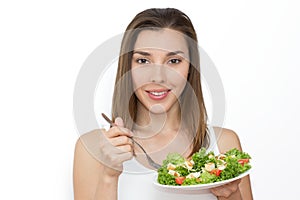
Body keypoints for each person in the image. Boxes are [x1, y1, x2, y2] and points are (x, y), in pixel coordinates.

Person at [73, 8, 253, 200]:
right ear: (128, 67)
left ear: (191, 69)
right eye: (143, 60)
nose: (158, 77)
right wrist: (109, 176)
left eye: (174, 61)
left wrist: (230, 195)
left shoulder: (223, 144)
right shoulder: (92, 148)